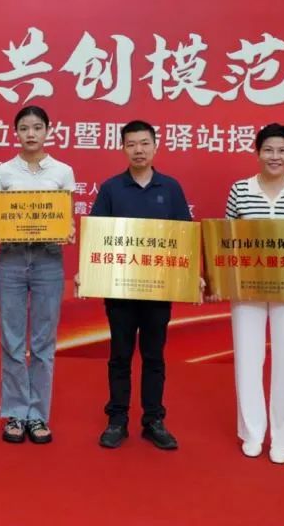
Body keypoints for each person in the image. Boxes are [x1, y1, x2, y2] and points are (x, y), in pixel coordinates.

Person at [89, 120, 195, 450]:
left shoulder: (171, 188)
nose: (139, 150)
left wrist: (192, 275)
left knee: (154, 356)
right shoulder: (111, 189)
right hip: (119, 288)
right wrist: (87, 273)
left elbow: (185, 237)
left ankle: (153, 420)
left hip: (159, 289)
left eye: (144, 143)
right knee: (120, 355)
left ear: (155, 146)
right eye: (132, 144)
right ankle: (117, 419)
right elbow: (97, 236)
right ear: (123, 148)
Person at [224, 123, 284, 465]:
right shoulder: (240, 190)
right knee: (247, 360)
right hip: (247, 288)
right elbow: (227, 239)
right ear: (258, 153)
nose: (275, 156)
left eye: (282, 150)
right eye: (268, 150)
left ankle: (283, 438)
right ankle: (252, 433)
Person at [0, 105, 75, 445]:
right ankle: (15, 412)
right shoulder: (3, 172)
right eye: (24, 128)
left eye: (37, 127)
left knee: (43, 342)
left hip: (48, 260)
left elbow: (66, 217)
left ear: (47, 131)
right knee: (11, 340)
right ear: (16, 132)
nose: (30, 134)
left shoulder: (63, 171)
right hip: (11, 258)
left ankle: (38, 414)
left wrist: (68, 231)